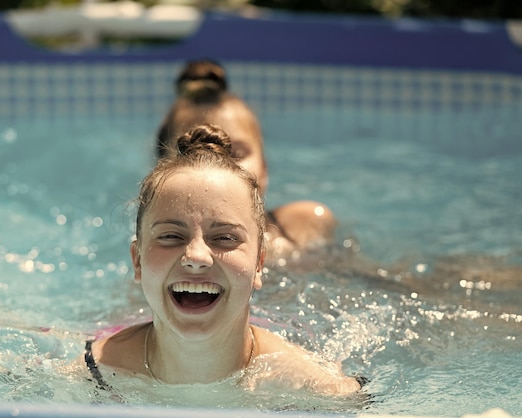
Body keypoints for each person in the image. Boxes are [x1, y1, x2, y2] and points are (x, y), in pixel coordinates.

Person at [84, 124, 363, 397]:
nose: (196, 256)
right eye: (171, 236)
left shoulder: (314, 387)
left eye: (225, 238)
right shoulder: (93, 373)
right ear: (138, 261)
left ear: (259, 263)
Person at [155, 60, 336, 261]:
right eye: (196, 153)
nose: (221, 168)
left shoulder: (300, 225)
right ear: (162, 176)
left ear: (264, 169)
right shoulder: (160, 252)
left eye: (237, 153)